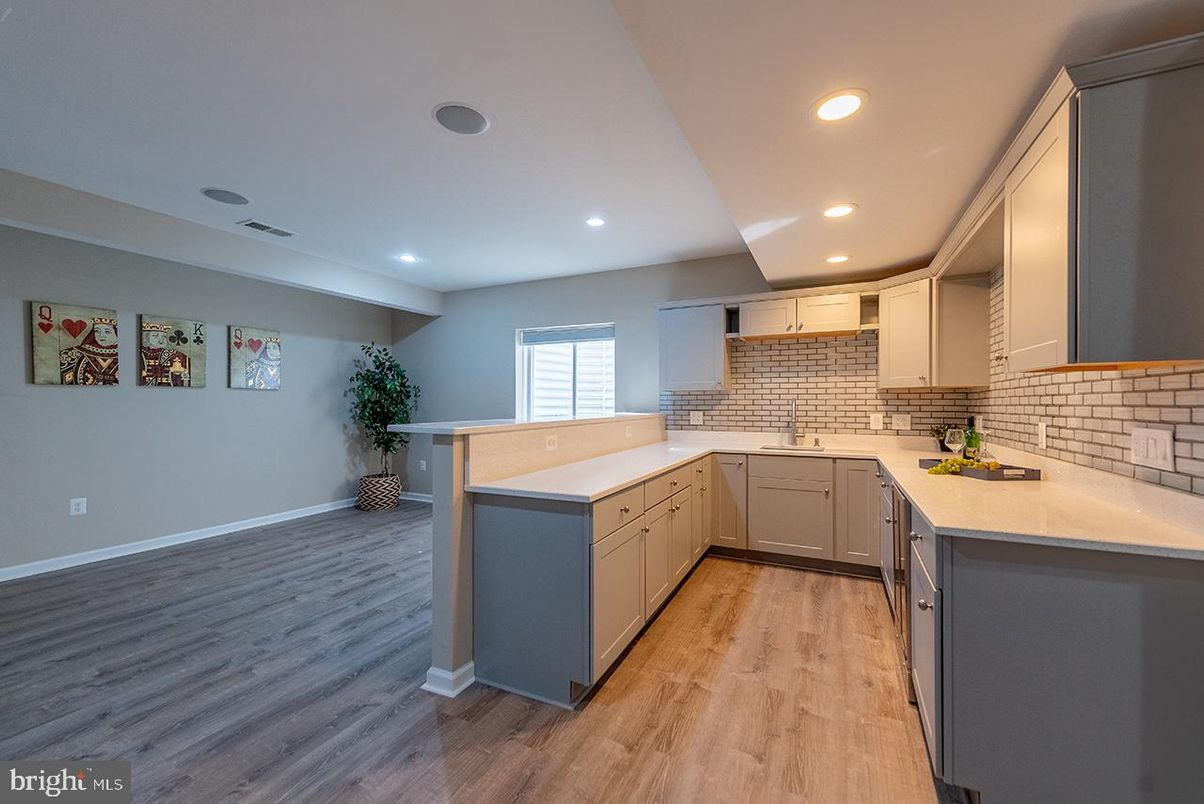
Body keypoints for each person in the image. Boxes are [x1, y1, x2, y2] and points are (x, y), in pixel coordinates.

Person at [60, 316, 119, 385]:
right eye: (97, 331)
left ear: (117, 332)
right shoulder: (75, 353)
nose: (101, 335)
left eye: (107, 331)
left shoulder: (128, 356)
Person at [140, 321, 191, 386]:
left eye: (164, 336)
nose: (161, 340)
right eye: (155, 336)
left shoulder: (175, 354)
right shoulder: (141, 354)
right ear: (146, 337)